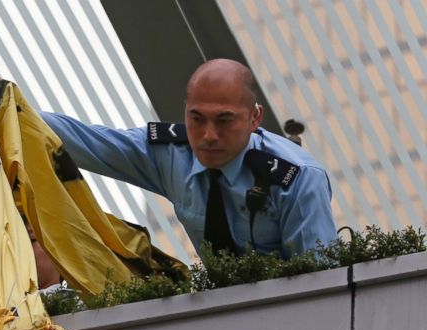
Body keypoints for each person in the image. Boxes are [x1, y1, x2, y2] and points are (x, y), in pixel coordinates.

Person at [39, 59, 337, 257]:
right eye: (196, 119)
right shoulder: (171, 154)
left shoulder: (297, 179)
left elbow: (322, 284)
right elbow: (84, 142)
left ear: (255, 118)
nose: (208, 135)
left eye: (224, 121)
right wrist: (0, 98)